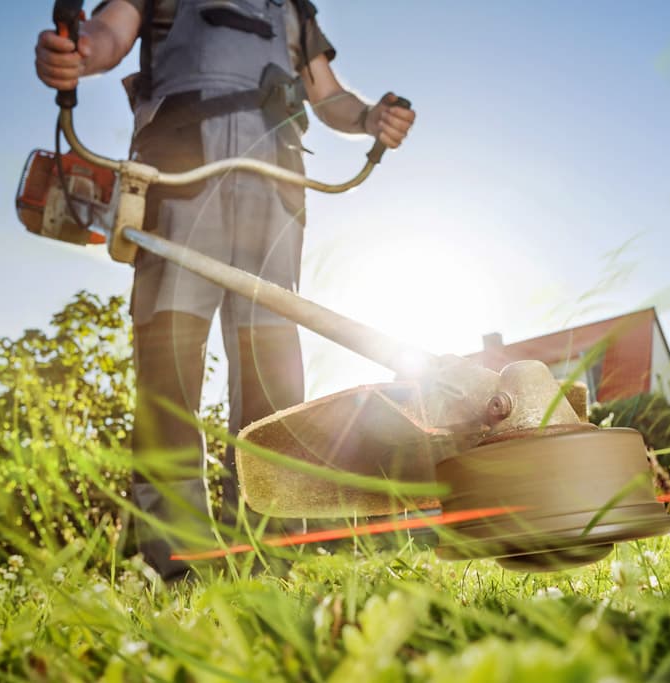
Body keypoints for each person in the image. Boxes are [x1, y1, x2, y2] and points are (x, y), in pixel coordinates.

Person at [35, 0, 416, 581]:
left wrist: (369, 119)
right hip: (180, 170)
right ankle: (177, 567)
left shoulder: (292, 8)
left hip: (276, 181)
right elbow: (108, 33)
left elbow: (328, 93)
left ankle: (273, 563)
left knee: (274, 377)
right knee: (170, 369)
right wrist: (80, 55)